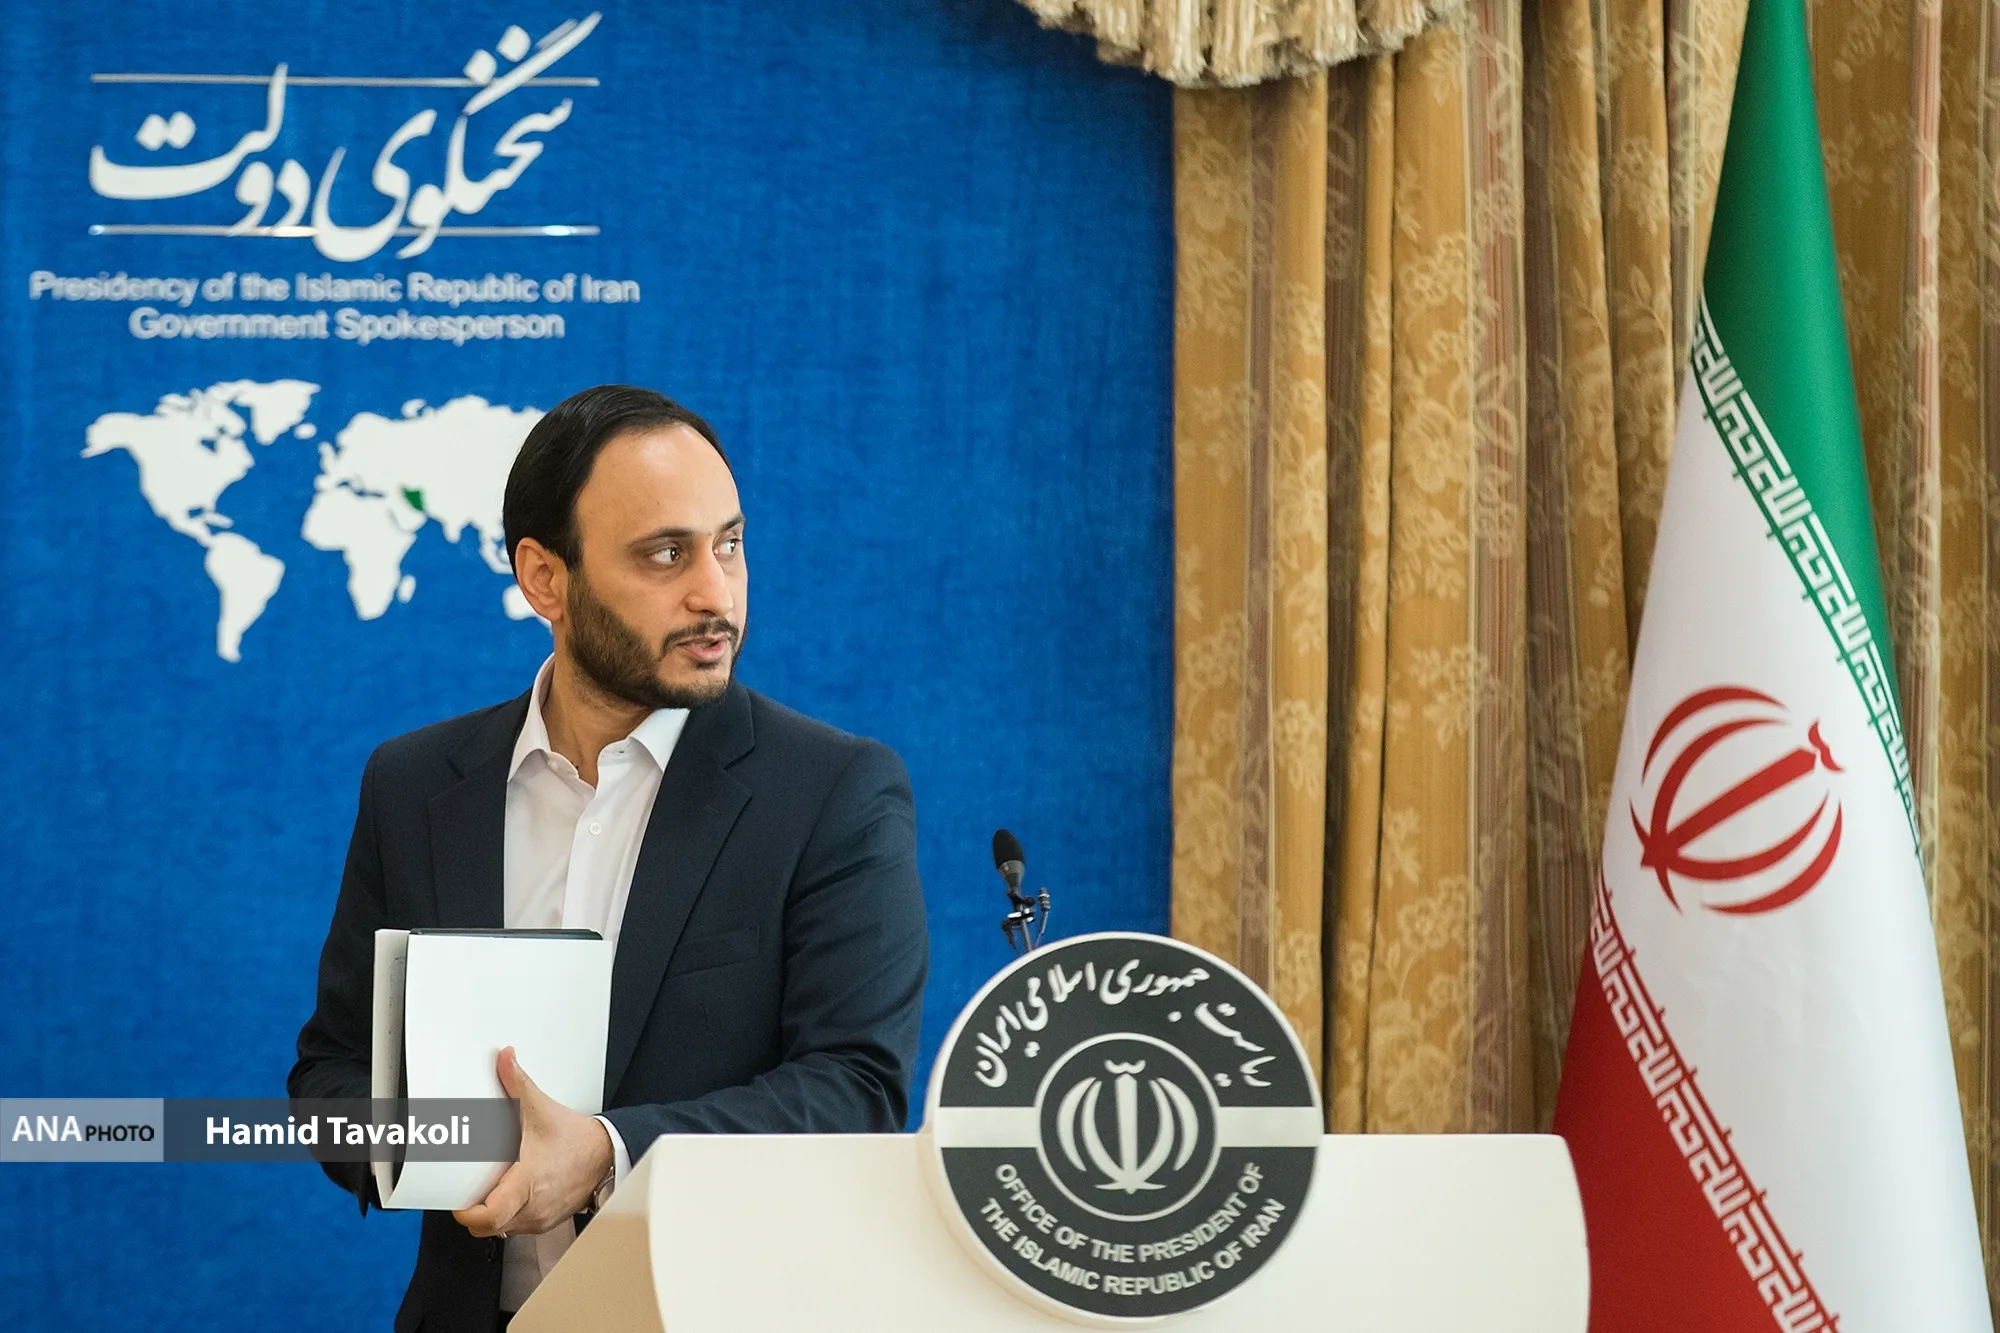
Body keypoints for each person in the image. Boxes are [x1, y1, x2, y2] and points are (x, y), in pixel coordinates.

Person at [288, 384, 929, 1333]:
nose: (715, 593)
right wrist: (443, 1147)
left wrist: (605, 1151)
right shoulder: (413, 783)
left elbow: (855, 1090)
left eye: (729, 544)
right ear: (545, 579)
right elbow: (332, 1075)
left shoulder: (832, 792)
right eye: (666, 554)